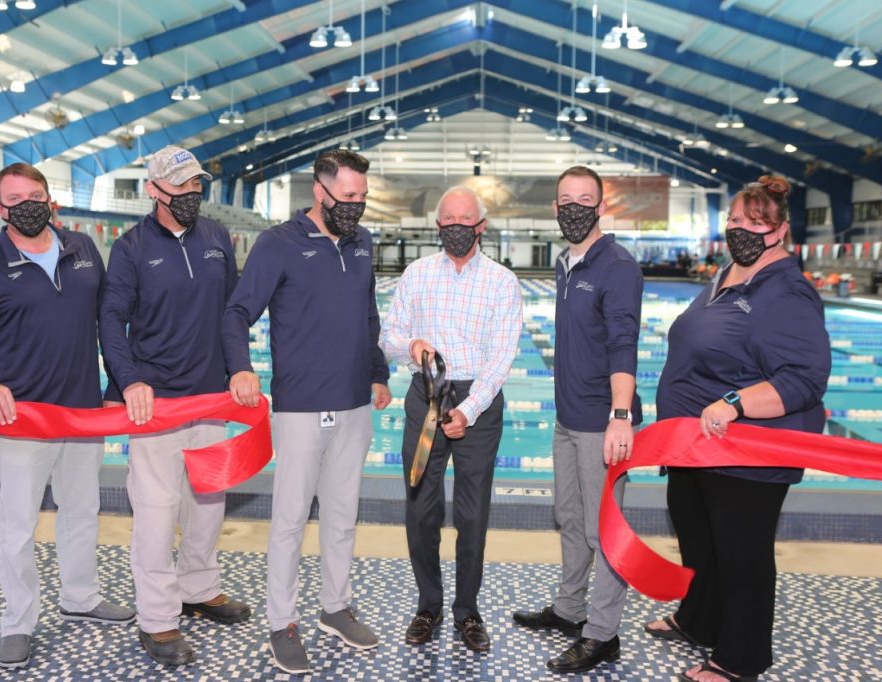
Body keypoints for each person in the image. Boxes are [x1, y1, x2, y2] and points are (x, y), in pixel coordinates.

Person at [0, 163, 135, 670]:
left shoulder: (83, 250)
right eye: (15, 198)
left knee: (82, 511)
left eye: (36, 194)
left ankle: (80, 597)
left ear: (51, 199)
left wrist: (117, 387)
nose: (27, 204)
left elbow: (109, 324)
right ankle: (18, 622)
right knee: (18, 526)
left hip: (82, 413)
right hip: (24, 420)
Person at [646, 176, 830, 682]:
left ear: (781, 231)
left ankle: (740, 659)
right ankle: (700, 619)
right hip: (697, 446)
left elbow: (805, 379)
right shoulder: (730, 272)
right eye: (734, 222)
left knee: (741, 552)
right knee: (698, 534)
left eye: (755, 223)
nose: (741, 231)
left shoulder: (788, 292)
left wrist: (735, 402)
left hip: (747, 450)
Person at [222, 149, 391, 675]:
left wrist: (379, 371)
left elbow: (368, 314)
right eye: (348, 197)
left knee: (342, 518)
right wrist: (240, 368)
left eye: (362, 197)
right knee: (290, 521)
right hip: (299, 407)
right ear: (319, 192)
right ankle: (283, 623)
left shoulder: (362, 242)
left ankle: (335, 608)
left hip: (354, 405)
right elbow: (236, 312)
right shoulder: (278, 244)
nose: (356, 207)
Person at [99, 145, 250, 667]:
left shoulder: (216, 238)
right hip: (157, 405)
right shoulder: (131, 247)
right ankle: (159, 620)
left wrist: (240, 370)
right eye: (181, 187)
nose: (191, 195)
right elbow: (110, 321)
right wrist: (130, 380)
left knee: (209, 503)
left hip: (210, 398)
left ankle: (200, 587)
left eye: (196, 186)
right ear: (154, 190)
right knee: (157, 515)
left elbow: (233, 312)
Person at [512, 166, 643, 674]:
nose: (573, 208)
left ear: (602, 206)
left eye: (584, 199)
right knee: (569, 518)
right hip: (569, 418)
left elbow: (623, 345)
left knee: (601, 530)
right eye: (565, 199)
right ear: (554, 208)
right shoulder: (568, 263)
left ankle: (602, 632)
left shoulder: (618, 266)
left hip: (600, 422)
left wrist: (619, 417)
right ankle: (570, 610)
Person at [380, 186, 522, 653]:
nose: (456, 228)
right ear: (437, 226)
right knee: (420, 507)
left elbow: (501, 359)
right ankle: (429, 605)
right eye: (448, 222)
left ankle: (467, 610)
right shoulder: (417, 273)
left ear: (481, 226)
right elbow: (390, 334)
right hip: (425, 395)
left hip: (477, 397)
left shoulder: (502, 282)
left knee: (472, 513)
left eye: (466, 220)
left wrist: (469, 409)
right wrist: (411, 348)